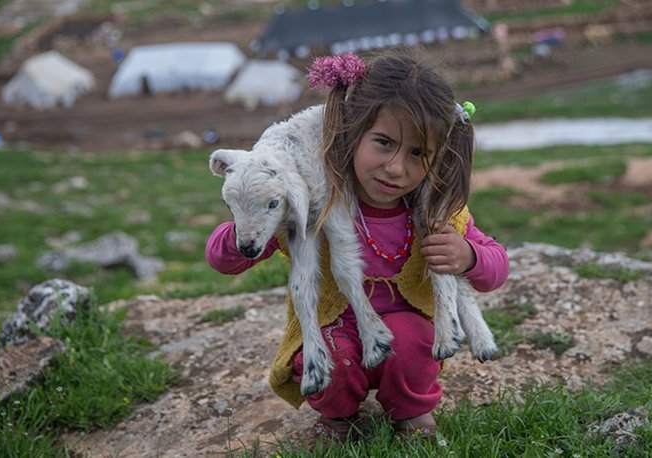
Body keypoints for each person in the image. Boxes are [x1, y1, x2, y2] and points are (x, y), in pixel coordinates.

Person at [205, 49, 509, 441]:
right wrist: (245, 228)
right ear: (351, 132)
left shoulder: (435, 211)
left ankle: (411, 412)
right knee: (331, 357)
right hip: (339, 330)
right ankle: (338, 417)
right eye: (383, 143)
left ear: (438, 156)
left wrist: (468, 257)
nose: (396, 167)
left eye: (417, 153)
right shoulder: (318, 202)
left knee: (412, 340)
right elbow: (225, 259)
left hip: (403, 336)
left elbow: (496, 265)